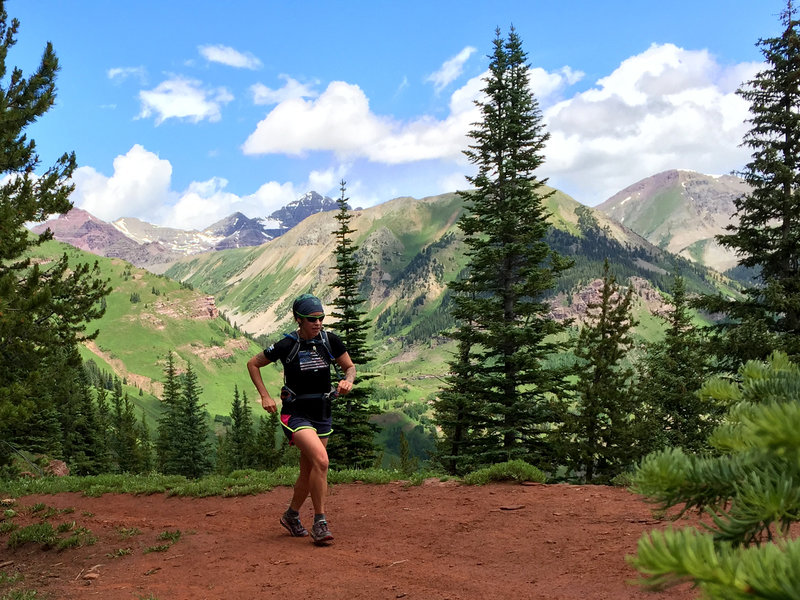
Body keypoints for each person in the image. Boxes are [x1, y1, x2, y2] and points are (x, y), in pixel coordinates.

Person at [247, 293, 355, 545]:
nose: (317, 324)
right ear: (299, 319)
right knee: (322, 460)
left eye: (321, 318)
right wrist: (265, 396)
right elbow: (253, 363)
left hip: (322, 412)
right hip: (295, 413)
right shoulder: (287, 345)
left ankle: (291, 515)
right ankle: (320, 522)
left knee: (309, 472)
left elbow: (349, 367)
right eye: (311, 319)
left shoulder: (330, 341)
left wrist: (347, 381)